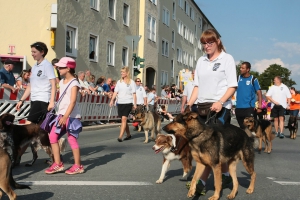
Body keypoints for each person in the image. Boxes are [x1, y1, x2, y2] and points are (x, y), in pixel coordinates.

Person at [186, 29, 237, 195]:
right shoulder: (201, 61)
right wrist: (189, 103)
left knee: (209, 148)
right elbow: (197, 85)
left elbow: (232, 85)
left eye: (210, 43)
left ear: (218, 42)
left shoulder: (226, 59)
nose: (207, 46)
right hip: (202, 107)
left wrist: (221, 102)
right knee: (204, 147)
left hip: (219, 108)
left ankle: (200, 183)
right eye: (204, 43)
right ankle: (226, 175)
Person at [44, 57, 84, 175]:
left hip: (70, 116)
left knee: (72, 139)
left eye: (61, 67)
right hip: (60, 114)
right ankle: (58, 163)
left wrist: (65, 117)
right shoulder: (61, 82)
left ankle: (78, 166)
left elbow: (72, 102)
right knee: (52, 137)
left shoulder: (74, 83)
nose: (58, 69)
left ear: (68, 68)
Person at [16, 42, 56, 124]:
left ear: (42, 52)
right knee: (39, 127)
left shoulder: (47, 66)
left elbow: (53, 84)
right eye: (32, 52)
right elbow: (30, 86)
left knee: (28, 125)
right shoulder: (34, 67)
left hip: (42, 99)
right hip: (34, 99)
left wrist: (52, 102)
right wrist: (21, 100)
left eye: (34, 52)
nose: (32, 54)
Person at [109, 67, 137, 142]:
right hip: (120, 102)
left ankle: (120, 136)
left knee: (124, 119)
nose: (122, 73)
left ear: (127, 73)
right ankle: (128, 134)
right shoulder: (119, 82)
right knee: (123, 120)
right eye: (121, 72)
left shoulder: (131, 82)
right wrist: (112, 100)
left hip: (128, 102)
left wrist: (135, 104)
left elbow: (134, 94)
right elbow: (115, 92)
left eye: (123, 72)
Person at [235, 62, 262, 129]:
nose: (240, 69)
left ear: (248, 69)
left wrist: (260, 105)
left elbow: (259, 92)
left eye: (243, 68)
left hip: (249, 108)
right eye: (240, 68)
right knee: (242, 129)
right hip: (238, 108)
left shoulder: (253, 79)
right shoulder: (237, 78)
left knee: (251, 128)